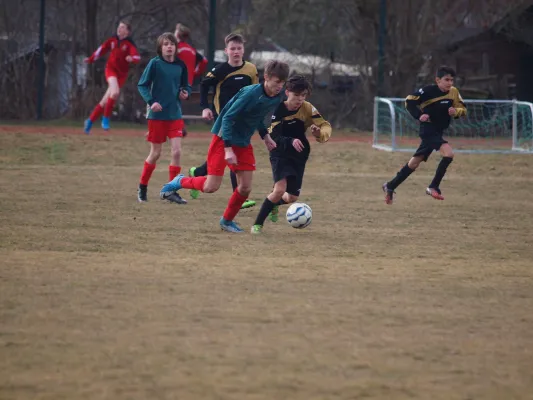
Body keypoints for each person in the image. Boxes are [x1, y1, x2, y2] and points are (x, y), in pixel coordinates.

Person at [159, 60, 290, 232]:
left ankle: (227, 221)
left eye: (282, 82)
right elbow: (227, 118)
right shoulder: (250, 93)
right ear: (266, 77)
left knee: (245, 188)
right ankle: (180, 181)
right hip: (224, 138)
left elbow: (257, 115)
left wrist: (265, 136)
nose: (279, 86)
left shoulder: (276, 97)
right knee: (211, 186)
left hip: (243, 141)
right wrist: (228, 148)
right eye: (276, 82)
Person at [251, 75, 332, 234]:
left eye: (303, 95)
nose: (300, 99)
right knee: (280, 190)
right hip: (279, 151)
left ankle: (274, 203)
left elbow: (325, 125)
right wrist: (290, 141)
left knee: (292, 197)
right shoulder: (277, 108)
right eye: (296, 95)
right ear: (287, 92)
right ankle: (257, 224)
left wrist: (318, 133)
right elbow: (273, 136)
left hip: (299, 155)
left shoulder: (308, 108)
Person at [189, 32, 259, 210]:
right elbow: (204, 85)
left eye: (239, 48)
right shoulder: (220, 70)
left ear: (243, 50)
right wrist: (205, 107)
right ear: (226, 50)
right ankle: (238, 195)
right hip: (224, 120)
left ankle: (197, 172)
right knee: (230, 155)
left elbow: (256, 92)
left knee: (230, 155)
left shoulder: (251, 69)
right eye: (232, 49)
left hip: (242, 121)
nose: (236, 52)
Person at [382, 66, 467, 204]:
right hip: (428, 130)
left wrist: (455, 112)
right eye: (446, 80)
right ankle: (433, 187)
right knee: (448, 154)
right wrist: (419, 115)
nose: (450, 83)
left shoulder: (454, 92)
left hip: (438, 131)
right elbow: (409, 101)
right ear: (438, 80)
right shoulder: (427, 91)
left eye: (452, 80)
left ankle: (390, 186)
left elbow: (463, 110)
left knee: (414, 163)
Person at [136, 32, 191, 203]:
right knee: (156, 153)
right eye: (166, 44)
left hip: (175, 114)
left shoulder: (180, 65)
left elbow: (186, 85)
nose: (169, 47)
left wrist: (185, 92)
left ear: (176, 47)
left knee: (177, 151)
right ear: (160, 47)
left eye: (172, 44)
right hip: (157, 116)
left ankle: (170, 191)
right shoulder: (155, 64)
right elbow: (142, 85)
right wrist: (151, 102)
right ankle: (142, 187)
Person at [84, 21, 140, 133]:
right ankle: (105, 120)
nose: (119, 29)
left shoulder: (129, 44)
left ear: (127, 32)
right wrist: (90, 59)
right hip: (110, 70)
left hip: (122, 74)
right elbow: (101, 50)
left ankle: (89, 121)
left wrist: (131, 58)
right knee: (115, 92)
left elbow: (137, 56)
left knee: (105, 101)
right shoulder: (112, 40)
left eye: (122, 27)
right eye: (119, 26)